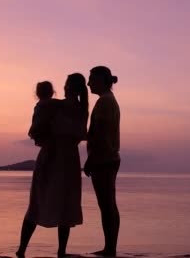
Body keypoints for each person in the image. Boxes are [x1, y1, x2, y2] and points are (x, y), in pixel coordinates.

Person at [17, 73, 89, 258]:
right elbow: (81, 134)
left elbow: (35, 131)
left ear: (66, 87)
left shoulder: (53, 105)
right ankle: (61, 252)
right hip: (70, 160)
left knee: (37, 203)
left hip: (52, 156)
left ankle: (22, 250)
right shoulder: (81, 110)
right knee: (66, 204)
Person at [84, 66, 121, 257]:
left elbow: (100, 133)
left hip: (103, 160)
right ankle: (110, 248)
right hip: (108, 158)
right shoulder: (108, 101)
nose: (89, 83)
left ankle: (109, 249)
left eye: (91, 79)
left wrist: (90, 160)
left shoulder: (104, 102)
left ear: (100, 79)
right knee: (109, 205)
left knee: (106, 206)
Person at [28, 81, 55, 147]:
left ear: (37, 94)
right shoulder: (56, 104)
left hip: (48, 139)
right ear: (52, 92)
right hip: (53, 138)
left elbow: (37, 124)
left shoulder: (40, 107)